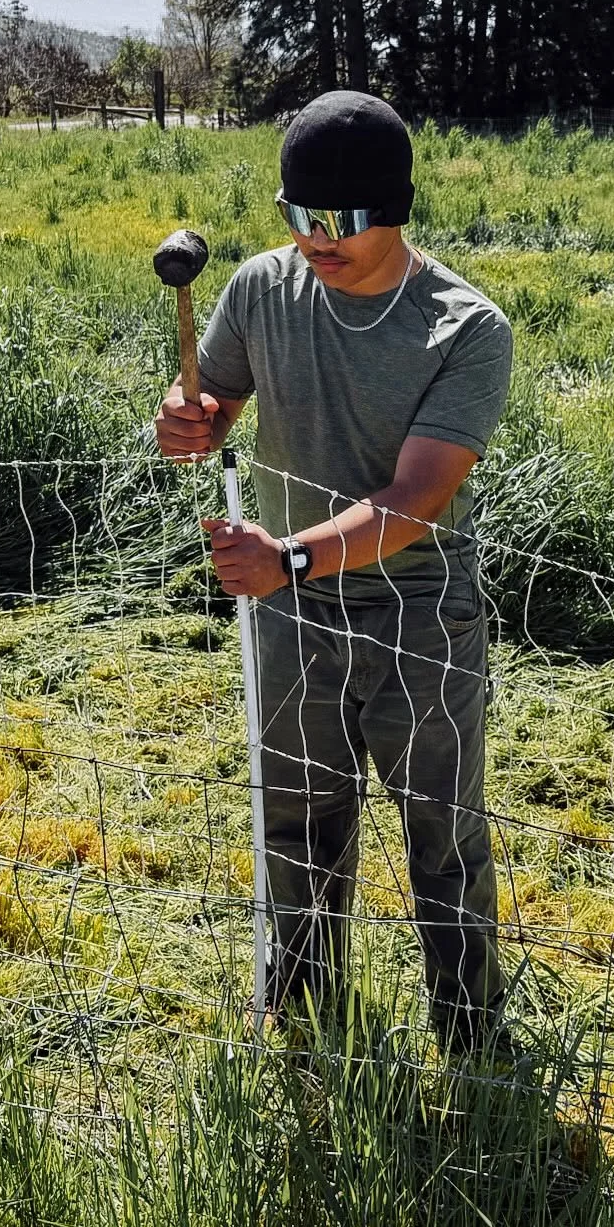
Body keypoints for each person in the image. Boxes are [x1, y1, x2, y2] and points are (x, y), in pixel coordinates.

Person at [153, 90, 513, 1052]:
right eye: (299, 216)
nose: (318, 239)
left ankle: (470, 1030)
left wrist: (290, 557)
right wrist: (188, 420)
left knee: (442, 834)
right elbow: (214, 398)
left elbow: (415, 498)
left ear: (396, 208)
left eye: (342, 221)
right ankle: (305, 1006)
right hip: (289, 614)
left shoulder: (465, 329)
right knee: (296, 819)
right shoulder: (260, 289)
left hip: (418, 612)